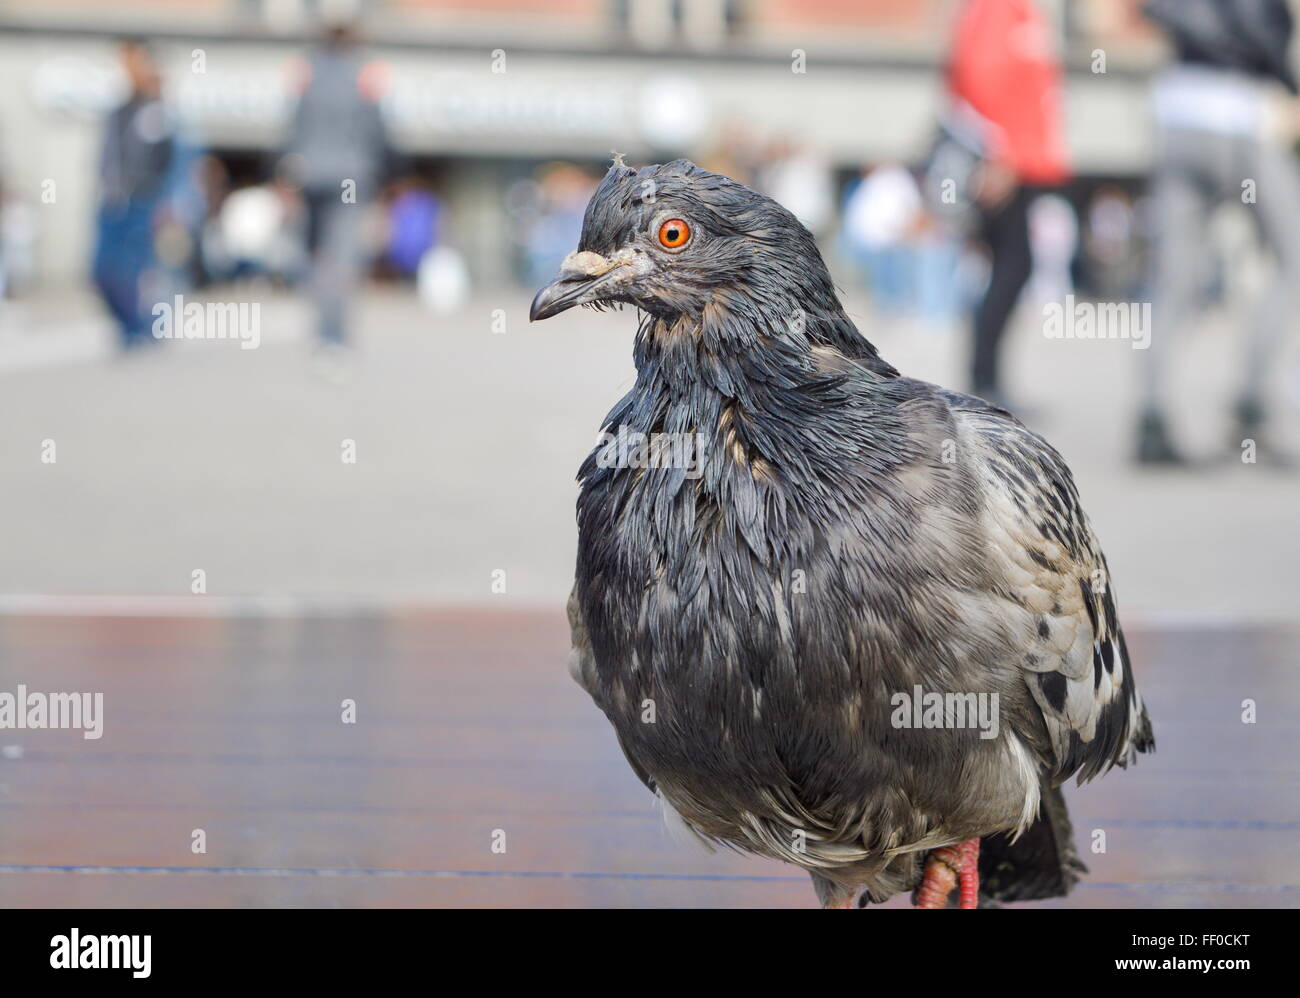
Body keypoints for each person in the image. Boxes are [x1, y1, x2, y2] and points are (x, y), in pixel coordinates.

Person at [1140, 0, 1300, 465]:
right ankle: (1250, 407)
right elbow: (1262, 34)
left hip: (1175, 112)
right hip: (1237, 115)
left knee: (1173, 279)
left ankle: (1152, 417)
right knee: (1293, 259)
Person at [946, 0, 1070, 409]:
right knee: (1013, 266)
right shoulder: (996, 9)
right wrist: (1000, 153)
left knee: (1012, 267)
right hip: (1004, 164)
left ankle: (989, 378)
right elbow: (978, 75)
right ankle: (984, 379)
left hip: (1021, 162)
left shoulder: (1020, 12)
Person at [280, 21, 394, 357]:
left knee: (316, 257)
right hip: (352, 177)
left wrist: (284, 176)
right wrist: (386, 180)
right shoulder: (364, 74)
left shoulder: (306, 73)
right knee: (342, 258)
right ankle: (335, 335)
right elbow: (379, 131)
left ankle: (322, 331)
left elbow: (292, 128)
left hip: (311, 175)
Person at [92, 39, 175, 351]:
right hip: (113, 201)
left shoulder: (156, 111)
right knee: (100, 270)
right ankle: (133, 324)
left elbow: (168, 160)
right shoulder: (117, 111)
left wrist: (165, 201)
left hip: (143, 201)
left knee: (138, 269)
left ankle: (138, 330)